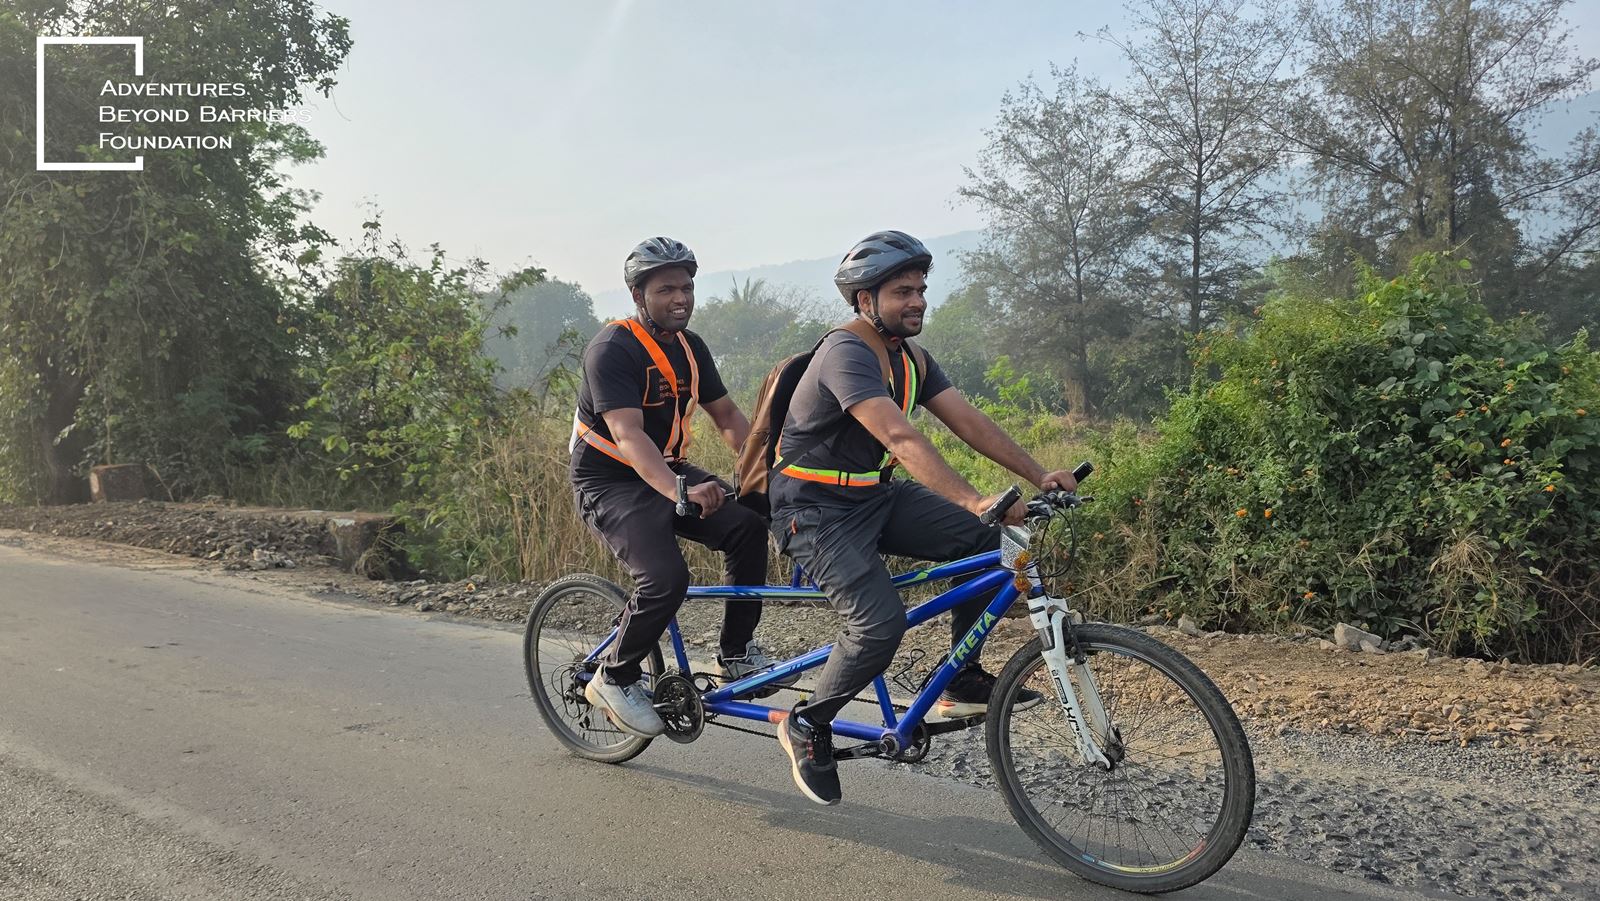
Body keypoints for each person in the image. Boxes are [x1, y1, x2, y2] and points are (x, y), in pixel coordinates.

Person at [767, 230, 1078, 805]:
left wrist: (1039, 476)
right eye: (902, 291)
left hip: (875, 495)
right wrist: (971, 498)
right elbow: (897, 434)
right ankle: (809, 722)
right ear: (865, 300)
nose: (918, 301)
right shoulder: (845, 352)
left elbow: (969, 421)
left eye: (921, 289)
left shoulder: (910, 358)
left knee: (996, 542)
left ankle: (960, 677)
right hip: (814, 510)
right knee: (878, 625)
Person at [571, 236, 796, 739]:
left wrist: (768, 468)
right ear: (638, 295)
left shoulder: (691, 348)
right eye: (666, 288)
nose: (681, 298)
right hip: (610, 479)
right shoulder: (612, 349)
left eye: (687, 287)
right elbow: (628, 436)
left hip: (667, 468)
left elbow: (731, 418)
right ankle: (616, 675)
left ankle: (735, 653)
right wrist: (680, 490)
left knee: (744, 529)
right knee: (665, 577)